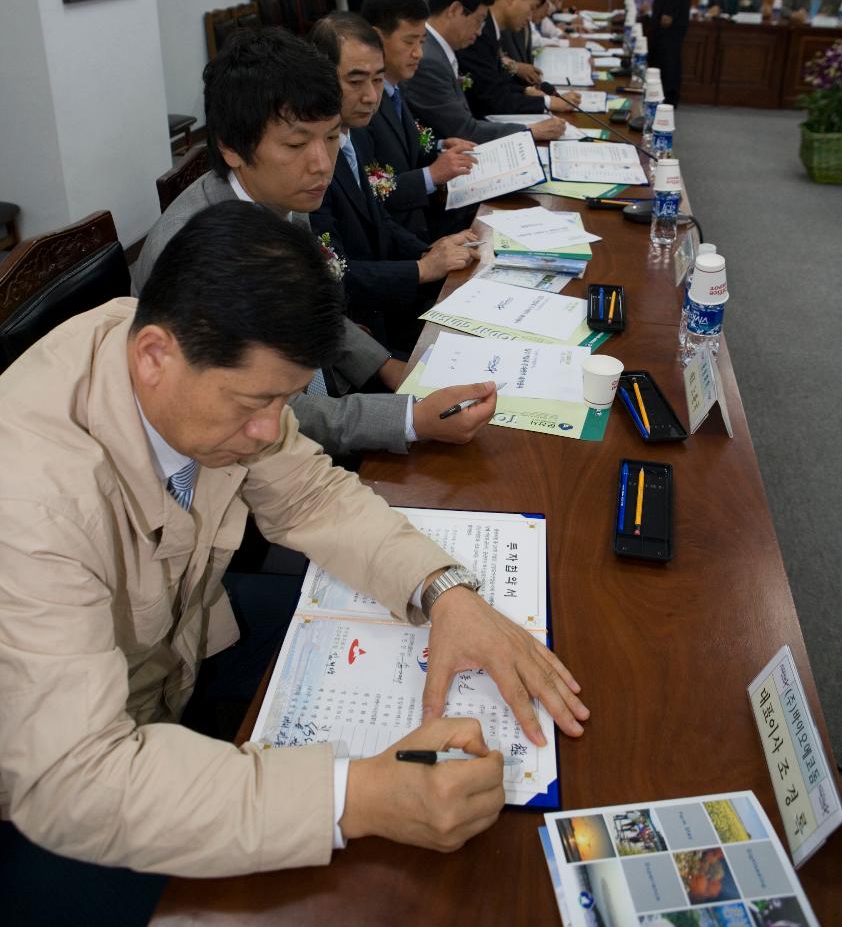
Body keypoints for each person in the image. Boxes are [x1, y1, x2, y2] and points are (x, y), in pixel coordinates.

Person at [0, 204, 589, 921]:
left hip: (167, 660)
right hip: (45, 789)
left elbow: (309, 495)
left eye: (283, 400)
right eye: (256, 404)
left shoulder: (188, 360)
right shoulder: (29, 499)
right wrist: (354, 797)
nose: (267, 430)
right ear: (154, 356)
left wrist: (446, 594)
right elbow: (75, 780)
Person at [134, 29, 488, 459]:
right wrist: (408, 419)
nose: (322, 164)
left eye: (332, 137)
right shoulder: (199, 259)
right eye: (297, 143)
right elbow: (269, 416)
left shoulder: (279, 195)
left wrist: (387, 367)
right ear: (231, 147)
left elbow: (309, 314)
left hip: (324, 394)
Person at [309, 12, 478, 354]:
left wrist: (430, 251)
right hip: (356, 331)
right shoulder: (312, 164)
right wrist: (421, 269)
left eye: (377, 80)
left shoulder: (353, 133)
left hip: (385, 302)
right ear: (320, 78)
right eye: (355, 81)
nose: (372, 96)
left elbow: (378, 214)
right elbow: (335, 272)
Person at [361, 0, 478, 239]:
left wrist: (439, 146)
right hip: (399, 235)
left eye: (421, 41)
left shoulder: (394, 89)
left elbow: (404, 142)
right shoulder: (361, 105)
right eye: (409, 42)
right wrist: (431, 175)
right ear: (376, 38)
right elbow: (368, 191)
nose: (418, 53)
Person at [406, 0, 564, 146]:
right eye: (479, 20)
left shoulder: (439, 50)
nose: (480, 31)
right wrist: (530, 131)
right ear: (455, 10)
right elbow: (464, 130)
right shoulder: (429, 60)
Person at [462, 0, 581, 118]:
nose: (531, 17)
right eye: (531, 7)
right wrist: (548, 102)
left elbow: (499, 83)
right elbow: (490, 99)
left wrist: (525, 91)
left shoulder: (492, 28)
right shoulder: (480, 31)